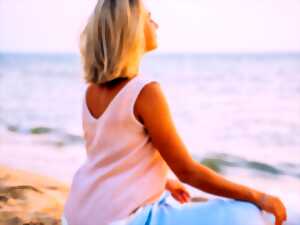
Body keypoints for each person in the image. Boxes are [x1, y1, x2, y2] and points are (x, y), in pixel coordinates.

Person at [61, 0, 287, 225]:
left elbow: (110, 159)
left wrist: (163, 182)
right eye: (149, 18)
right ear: (133, 28)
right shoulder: (145, 92)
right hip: (123, 220)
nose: (156, 24)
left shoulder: (91, 91)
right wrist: (258, 197)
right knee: (248, 214)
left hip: (75, 214)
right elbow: (187, 171)